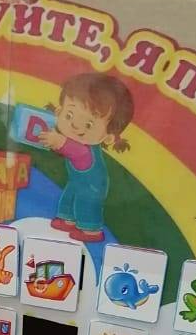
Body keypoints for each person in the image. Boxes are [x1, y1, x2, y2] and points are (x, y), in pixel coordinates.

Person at [39, 72, 134, 244]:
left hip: (92, 186)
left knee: (86, 204)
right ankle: (67, 218)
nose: (75, 125)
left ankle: (90, 229)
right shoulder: (73, 140)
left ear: (109, 137)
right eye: (69, 115)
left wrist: (59, 142)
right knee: (69, 195)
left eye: (89, 124)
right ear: (59, 112)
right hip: (77, 180)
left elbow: (78, 153)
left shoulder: (85, 150)